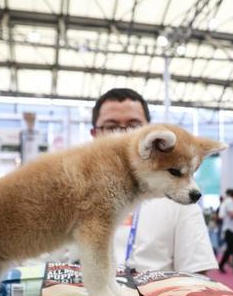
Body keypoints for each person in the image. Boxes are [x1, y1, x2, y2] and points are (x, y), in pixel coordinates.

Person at [91, 88, 218, 274]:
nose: (124, 135)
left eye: (135, 126)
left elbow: (197, 274)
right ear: (95, 134)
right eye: (111, 127)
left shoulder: (179, 197)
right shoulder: (72, 189)